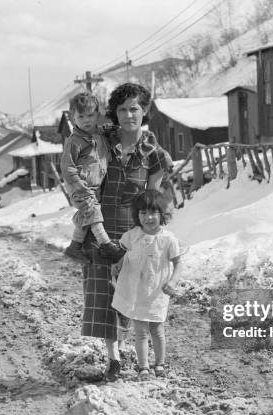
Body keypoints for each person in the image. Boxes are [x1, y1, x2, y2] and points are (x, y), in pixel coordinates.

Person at [80, 82, 172, 381]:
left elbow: (150, 202)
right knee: (104, 295)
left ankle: (145, 358)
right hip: (100, 227)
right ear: (114, 113)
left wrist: (148, 240)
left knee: (131, 295)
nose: (128, 115)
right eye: (122, 109)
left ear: (145, 111)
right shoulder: (101, 143)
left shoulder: (154, 155)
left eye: (134, 108)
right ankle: (114, 359)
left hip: (132, 233)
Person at [111, 190, 183, 380]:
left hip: (157, 292)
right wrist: (117, 265)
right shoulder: (132, 235)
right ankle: (143, 367)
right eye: (143, 213)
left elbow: (178, 263)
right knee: (141, 331)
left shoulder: (168, 239)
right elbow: (122, 254)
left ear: (162, 214)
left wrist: (173, 282)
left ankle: (159, 363)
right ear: (137, 215)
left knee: (157, 329)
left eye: (153, 212)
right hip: (137, 291)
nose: (148, 217)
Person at [61, 92, 119, 263]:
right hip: (80, 186)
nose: (86, 120)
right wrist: (78, 184)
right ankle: (106, 244)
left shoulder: (99, 135)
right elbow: (67, 166)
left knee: (87, 213)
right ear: (72, 118)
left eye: (90, 115)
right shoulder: (74, 141)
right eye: (81, 116)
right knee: (93, 211)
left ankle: (74, 247)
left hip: (94, 186)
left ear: (97, 115)